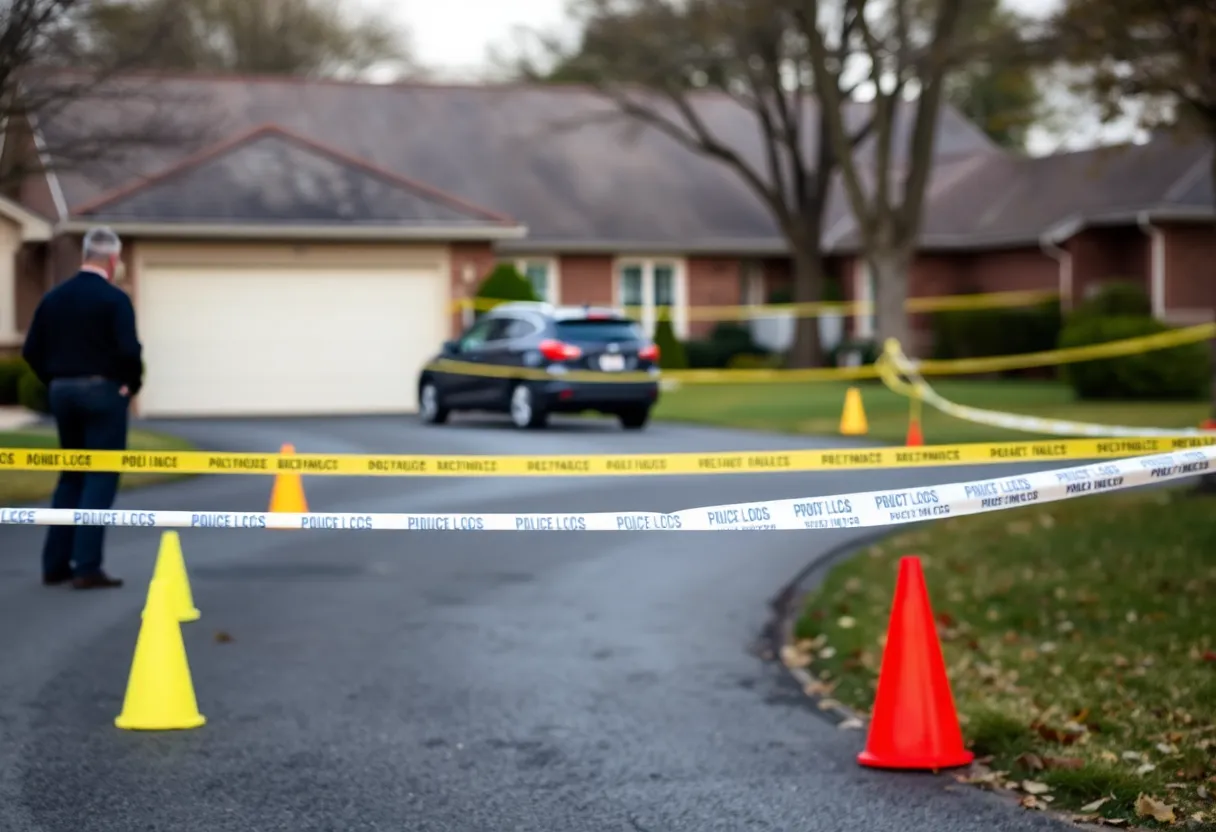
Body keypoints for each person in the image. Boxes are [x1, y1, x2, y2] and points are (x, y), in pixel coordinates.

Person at [21, 226, 143, 590]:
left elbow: (31, 350)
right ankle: (87, 566)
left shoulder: (54, 297)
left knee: (71, 473)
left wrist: (55, 381)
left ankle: (55, 563)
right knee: (100, 475)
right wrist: (129, 386)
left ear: (85, 255)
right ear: (113, 259)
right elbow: (129, 352)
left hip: (63, 392)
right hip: (101, 392)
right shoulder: (114, 299)